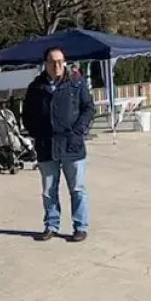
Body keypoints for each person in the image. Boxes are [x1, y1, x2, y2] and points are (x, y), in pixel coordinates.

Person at [22, 47, 93, 243]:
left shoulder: (76, 84)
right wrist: (37, 133)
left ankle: (80, 226)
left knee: (77, 188)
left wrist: (78, 131)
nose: (57, 65)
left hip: (72, 145)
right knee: (49, 190)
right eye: (53, 62)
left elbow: (88, 108)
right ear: (45, 64)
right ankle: (51, 225)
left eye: (61, 61)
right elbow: (26, 114)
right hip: (47, 146)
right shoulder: (36, 87)